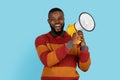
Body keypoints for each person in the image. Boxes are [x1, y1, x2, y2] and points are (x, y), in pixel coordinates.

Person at [35, 8, 91, 80]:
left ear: (64, 19)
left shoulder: (74, 39)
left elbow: (84, 68)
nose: (57, 21)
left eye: (60, 18)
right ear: (49, 21)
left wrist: (83, 45)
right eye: (53, 19)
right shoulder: (41, 39)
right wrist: (71, 43)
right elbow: (47, 61)